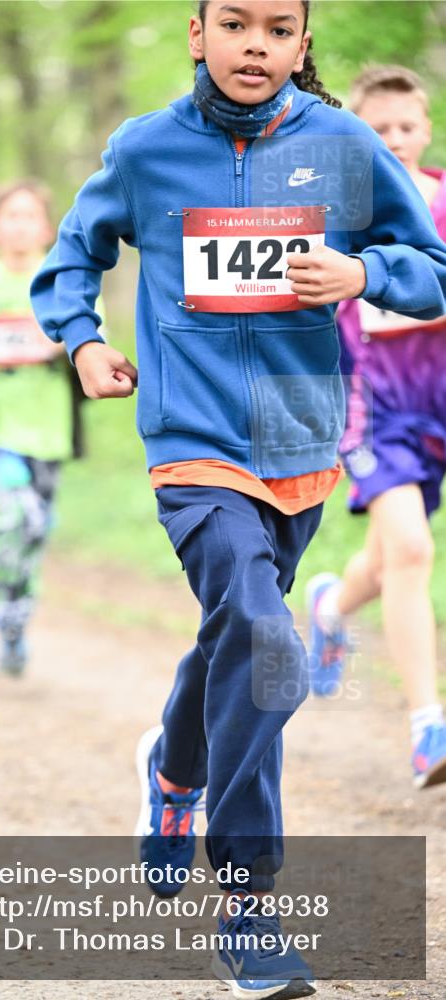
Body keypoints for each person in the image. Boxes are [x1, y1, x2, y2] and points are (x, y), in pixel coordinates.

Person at [30, 2, 446, 996]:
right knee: (265, 645)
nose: (253, 45)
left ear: (301, 46)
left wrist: (361, 270)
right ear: (196, 34)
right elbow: (68, 259)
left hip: (303, 444)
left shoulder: (345, 146)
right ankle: (251, 907)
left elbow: (429, 270)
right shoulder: (146, 151)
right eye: (233, 23)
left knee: (235, 632)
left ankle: (173, 770)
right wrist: (84, 341)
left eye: (276, 28)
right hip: (193, 443)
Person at [307, 66, 446, 790]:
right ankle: (428, 726)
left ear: (425, 128)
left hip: (439, 402)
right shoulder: (339, 213)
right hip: (370, 403)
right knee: (413, 549)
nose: (393, 141)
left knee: (390, 558)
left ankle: (329, 606)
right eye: (377, 131)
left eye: (405, 127)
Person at [0, 181, 85, 676]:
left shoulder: (64, 277)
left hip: (50, 431)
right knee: (20, 517)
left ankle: (14, 619)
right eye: (10, 215)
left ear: (47, 229)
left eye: (30, 216)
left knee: (37, 531)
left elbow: (94, 338)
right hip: (1, 429)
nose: (20, 225)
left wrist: (62, 344)